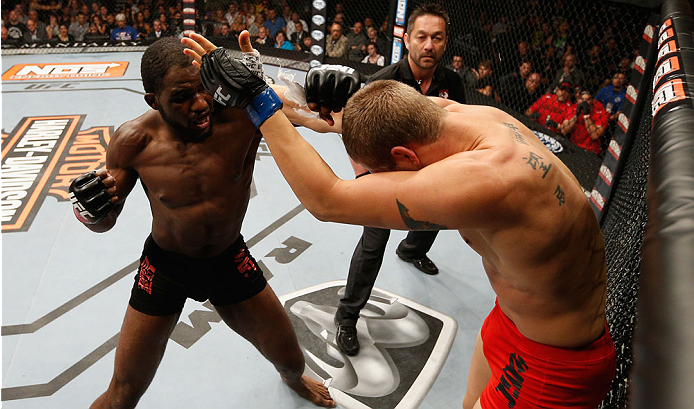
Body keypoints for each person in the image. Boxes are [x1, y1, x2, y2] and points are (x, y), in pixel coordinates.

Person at [184, 33, 616, 409]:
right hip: (513, 315)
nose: (377, 182)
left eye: (381, 173)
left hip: (554, 359)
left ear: (404, 160)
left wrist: (256, 103)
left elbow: (327, 200)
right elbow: (339, 119)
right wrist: (261, 81)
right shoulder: (465, 118)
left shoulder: (487, 180)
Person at [68, 36, 335, 408]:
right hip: (165, 268)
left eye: (203, 89)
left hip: (229, 259)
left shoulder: (242, 114)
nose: (200, 104)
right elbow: (105, 221)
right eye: (180, 97)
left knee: (292, 361)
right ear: (154, 101)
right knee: (123, 392)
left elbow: (318, 119)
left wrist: (326, 96)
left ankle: (294, 381)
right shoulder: (134, 141)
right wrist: (89, 210)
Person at [338, 2, 467, 356]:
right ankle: (347, 316)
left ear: (444, 42)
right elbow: (352, 129)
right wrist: (364, 176)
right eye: (422, 37)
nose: (429, 45)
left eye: (437, 38)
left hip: (431, 173)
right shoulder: (383, 82)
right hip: (385, 175)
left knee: (435, 220)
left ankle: (411, 250)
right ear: (407, 39)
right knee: (372, 243)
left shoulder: (452, 83)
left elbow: (459, 126)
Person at [559, 88, 610, 155]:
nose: (584, 102)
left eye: (588, 99)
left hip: (591, 151)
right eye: (582, 99)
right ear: (577, 100)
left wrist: (586, 116)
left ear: (592, 100)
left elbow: (595, 135)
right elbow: (563, 131)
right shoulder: (573, 108)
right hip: (572, 146)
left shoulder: (602, 113)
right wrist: (576, 115)